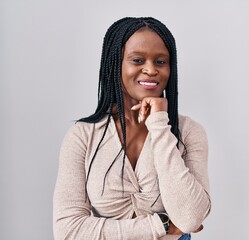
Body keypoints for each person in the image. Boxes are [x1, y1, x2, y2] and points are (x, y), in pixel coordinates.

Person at [53, 17, 211, 240]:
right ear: (115, 62)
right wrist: (162, 224)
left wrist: (158, 124)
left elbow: (190, 218)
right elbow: (68, 231)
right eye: (137, 60)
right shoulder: (83, 136)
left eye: (160, 62)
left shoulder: (188, 131)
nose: (150, 70)